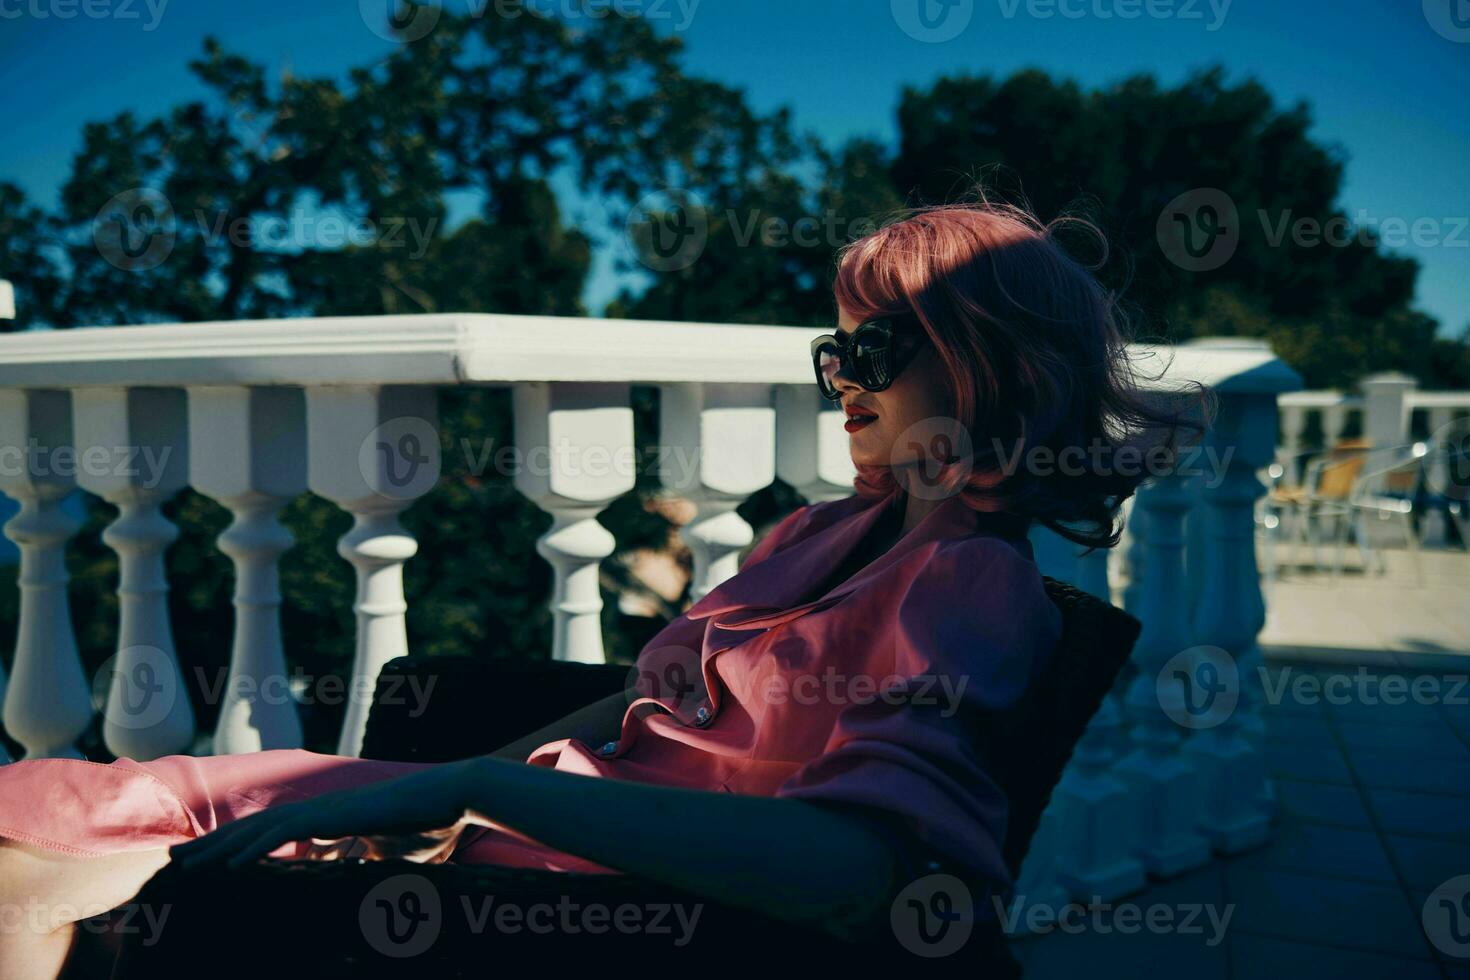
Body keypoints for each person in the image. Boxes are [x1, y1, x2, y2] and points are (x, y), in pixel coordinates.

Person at [0, 200, 1191, 976]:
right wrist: (435, 792)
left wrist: (476, 792)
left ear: (997, 363)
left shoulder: (966, 583)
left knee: (81, 887)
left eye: (875, 350)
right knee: (124, 799)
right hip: (523, 827)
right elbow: (645, 709)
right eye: (836, 352)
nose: (843, 380)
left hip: (591, 902)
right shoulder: (838, 531)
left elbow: (858, 872)